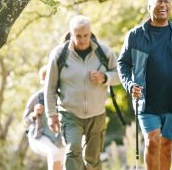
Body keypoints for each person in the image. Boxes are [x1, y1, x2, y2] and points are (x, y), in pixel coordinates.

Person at [117, 0, 172, 170]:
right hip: (146, 100)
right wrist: (130, 85)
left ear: (170, 6)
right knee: (153, 141)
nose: (163, 5)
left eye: (166, 1)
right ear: (149, 6)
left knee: (166, 146)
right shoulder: (135, 35)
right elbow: (122, 64)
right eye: (158, 1)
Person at [44, 15, 120, 170]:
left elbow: (120, 75)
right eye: (78, 36)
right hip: (70, 114)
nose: (83, 40)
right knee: (73, 151)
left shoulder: (104, 52)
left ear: (90, 33)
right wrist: (51, 114)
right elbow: (50, 87)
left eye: (86, 35)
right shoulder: (59, 55)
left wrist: (105, 77)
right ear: (71, 34)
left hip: (97, 113)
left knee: (92, 158)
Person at [23, 65, 65, 170]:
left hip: (59, 139)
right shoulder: (37, 98)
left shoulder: (63, 97)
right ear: (43, 82)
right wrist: (34, 114)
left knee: (65, 162)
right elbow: (25, 122)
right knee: (54, 153)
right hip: (39, 137)